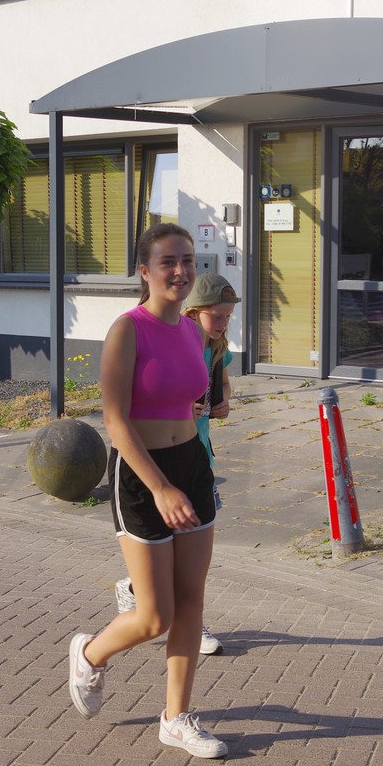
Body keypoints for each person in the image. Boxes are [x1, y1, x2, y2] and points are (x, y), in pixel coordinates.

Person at [67, 223, 228, 759]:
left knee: (191, 602)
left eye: (188, 260)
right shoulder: (127, 331)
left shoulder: (193, 331)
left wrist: (208, 407)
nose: (181, 271)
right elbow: (115, 420)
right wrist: (159, 487)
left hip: (192, 467)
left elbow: (192, 396)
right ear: (145, 270)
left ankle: (175, 718)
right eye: (168, 262)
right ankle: (90, 654)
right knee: (154, 616)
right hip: (142, 476)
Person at [113, 272, 238, 655]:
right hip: (155, 462)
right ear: (195, 311)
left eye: (228, 317)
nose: (222, 324)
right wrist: (185, 406)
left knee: (189, 570)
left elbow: (224, 384)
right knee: (167, 583)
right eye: (216, 316)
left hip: (196, 455)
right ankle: (140, 593)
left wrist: (223, 403)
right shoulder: (165, 337)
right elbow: (132, 406)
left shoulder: (216, 347)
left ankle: (168, 606)